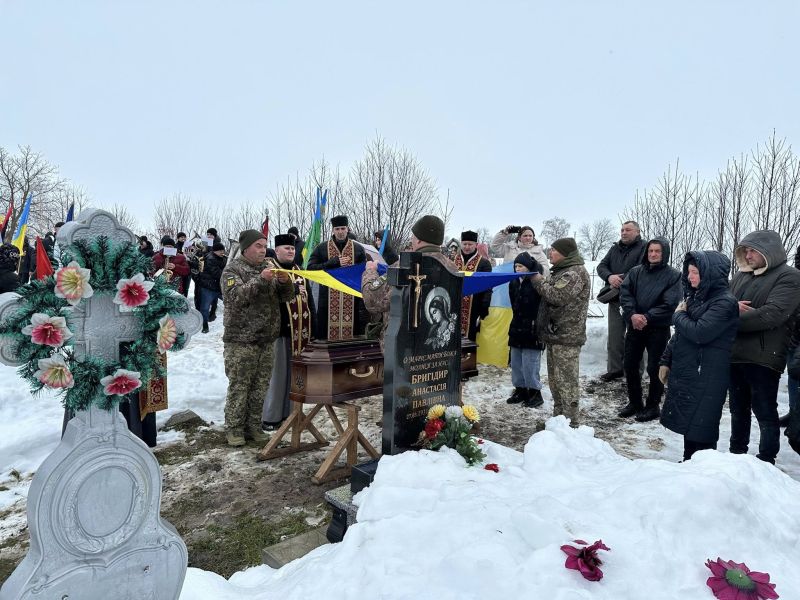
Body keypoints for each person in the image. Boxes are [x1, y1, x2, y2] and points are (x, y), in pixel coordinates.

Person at [728, 230, 800, 464]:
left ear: (768, 251)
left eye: (752, 250)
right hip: (735, 354)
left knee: (764, 411)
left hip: (765, 357)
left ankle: (766, 460)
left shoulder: (790, 276)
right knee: (738, 411)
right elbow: (722, 303)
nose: (747, 255)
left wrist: (727, 319)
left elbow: (772, 315)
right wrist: (731, 310)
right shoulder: (740, 276)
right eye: (745, 250)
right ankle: (736, 455)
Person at [659, 251, 739, 461]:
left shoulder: (725, 302)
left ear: (709, 274)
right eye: (689, 272)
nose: (689, 277)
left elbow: (699, 333)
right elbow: (680, 336)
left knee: (702, 425)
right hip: (691, 370)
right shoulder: (695, 298)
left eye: (695, 272)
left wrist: (678, 315)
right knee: (689, 422)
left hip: (708, 374)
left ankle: (702, 470)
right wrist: (665, 360)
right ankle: (689, 462)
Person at [221, 229, 294, 446]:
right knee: (240, 386)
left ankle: (254, 426)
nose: (263, 250)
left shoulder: (269, 267)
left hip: (266, 339)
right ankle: (234, 428)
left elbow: (287, 297)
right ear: (246, 248)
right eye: (258, 246)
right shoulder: (233, 270)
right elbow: (236, 298)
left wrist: (283, 282)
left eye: (264, 246)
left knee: (260, 386)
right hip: (241, 340)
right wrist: (261, 280)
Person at [362, 215, 457, 344]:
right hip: (437, 346)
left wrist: (370, 271)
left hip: (403, 347)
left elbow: (373, 301)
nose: (411, 240)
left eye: (413, 237)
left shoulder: (405, 265)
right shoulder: (451, 267)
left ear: (418, 240)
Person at [617, 237, 682, 421]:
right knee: (630, 365)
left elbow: (670, 303)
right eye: (650, 251)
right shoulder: (636, 271)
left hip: (658, 328)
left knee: (655, 368)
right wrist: (632, 314)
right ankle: (635, 402)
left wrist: (647, 317)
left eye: (657, 251)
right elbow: (625, 293)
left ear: (664, 254)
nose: (653, 254)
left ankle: (653, 405)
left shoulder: (673, 275)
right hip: (635, 325)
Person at [531, 237, 590, 426]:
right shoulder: (562, 271)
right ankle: (558, 422)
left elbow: (557, 296)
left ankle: (571, 425)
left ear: (564, 253)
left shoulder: (574, 273)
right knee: (556, 383)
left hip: (567, 337)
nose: (550, 253)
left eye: (554, 250)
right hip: (556, 335)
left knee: (567, 384)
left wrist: (538, 281)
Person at [262, 234, 315, 429]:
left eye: (292, 248)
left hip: (299, 333)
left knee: (294, 376)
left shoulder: (300, 271)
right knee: (277, 377)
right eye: (286, 248)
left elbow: (310, 302)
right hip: (277, 332)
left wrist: (314, 328)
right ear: (277, 250)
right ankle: (271, 417)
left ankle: (291, 415)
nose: (291, 251)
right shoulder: (270, 270)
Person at [596, 221, 646, 382]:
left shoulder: (645, 247)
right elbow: (601, 266)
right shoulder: (614, 248)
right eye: (622, 230)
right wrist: (610, 276)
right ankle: (615, 369)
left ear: (637, 232)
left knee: (635, 337)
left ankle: (635, 372)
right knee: (615, 336)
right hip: (616, 298)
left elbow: (642, 268)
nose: (624, 233)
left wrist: (622, 279)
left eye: (628, 230)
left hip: (636, 300)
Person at [307, 215, 367, 340]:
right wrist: (332, 263)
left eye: (343, 229)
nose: (340, 232)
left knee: (351, 342)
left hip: (352, 300)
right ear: (333, 230)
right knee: (326, 341)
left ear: (347, 229)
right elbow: (311, 268)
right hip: (327, 300)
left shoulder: (358, 249)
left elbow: (364, 273)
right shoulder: (322, 248)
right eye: (337, 229)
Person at [506, 251, 545, 408]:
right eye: (516, 266)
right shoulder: (514, 282)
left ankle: (535, 392)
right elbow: (513, 304)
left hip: (532, 329)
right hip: (517, 327)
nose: (517, 269)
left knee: (530, 363)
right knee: (516, 363)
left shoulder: (537, 281)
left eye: (520, 266)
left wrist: (538, 325)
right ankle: (520, 389)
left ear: (528, 267)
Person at [454, 231, 492, 341]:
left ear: (476, 245)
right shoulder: (452, 260)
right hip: (454, 305)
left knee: (470, 338)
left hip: (474, 306)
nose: (467, 247)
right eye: (464, 244)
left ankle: (469, 358)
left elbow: (487, 287)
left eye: (470, 244)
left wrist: (485, 305)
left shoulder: (484, 263)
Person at [196, 242, 227, 333]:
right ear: (214, 251)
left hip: (219, 287)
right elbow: (217, 273)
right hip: (208, 287)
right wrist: (228, 270)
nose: (222, 252)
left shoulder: (223, 258)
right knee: (205, 308)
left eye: (223, 250)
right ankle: (205, 325)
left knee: (230, 303)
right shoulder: (210, 258)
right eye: (220, 250)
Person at [175, 232, 191, 297]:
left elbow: (191, 254)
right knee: (179, 286)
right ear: (178, 238)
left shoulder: (188, 245)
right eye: (181, 237)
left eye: (184, 237)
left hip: (187, 268)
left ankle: (185, 298)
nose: (183, 238)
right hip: (179, 269)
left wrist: (189, 256)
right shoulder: (175, 246)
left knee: (186, 287)